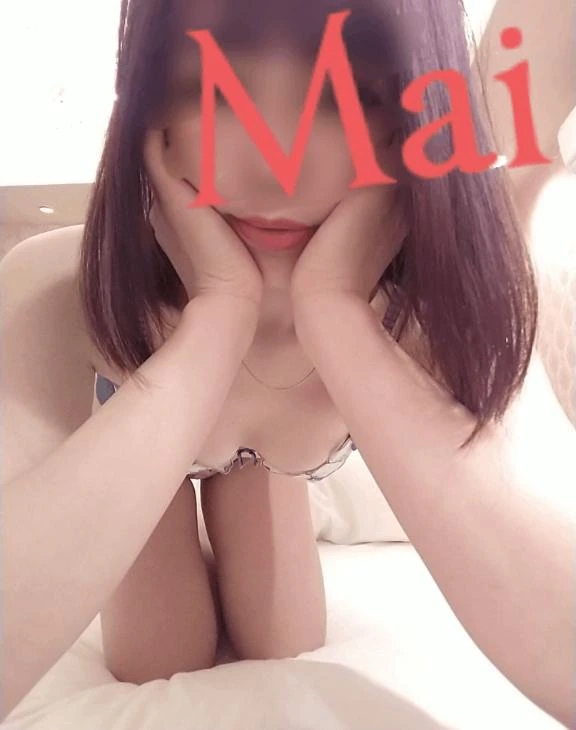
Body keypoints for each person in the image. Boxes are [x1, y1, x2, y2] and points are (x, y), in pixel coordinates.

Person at [2, 0, 574, 726]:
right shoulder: (57, 288)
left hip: (274, 461)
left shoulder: (452, 307)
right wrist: (216, 318)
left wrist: (337, 316)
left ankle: (243, 470)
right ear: (148, 110)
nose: (276, 166)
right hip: (141, 420)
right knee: (156, 657)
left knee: (285, 644)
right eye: (214, 87)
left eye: (350, 93)